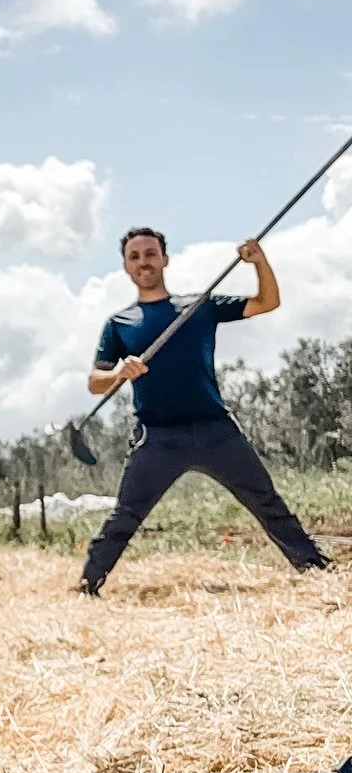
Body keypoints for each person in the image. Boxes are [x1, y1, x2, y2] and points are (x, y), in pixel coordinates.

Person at [79, 228, 329, 595]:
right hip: (157, 437)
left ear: (165, 258)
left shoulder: (199, 307)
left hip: (215, 430)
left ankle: (317, 570)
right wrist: (119, 372)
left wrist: (259, 262)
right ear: (126, 267)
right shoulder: (119, 324)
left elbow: (266, 302)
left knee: (266, 502)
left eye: (150, 253)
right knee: (125, 516)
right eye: (135, 257)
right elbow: (94, 382)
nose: (144, 261)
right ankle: (88, 585)